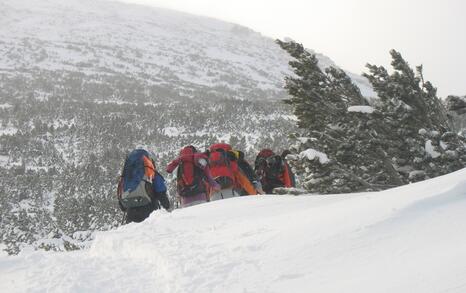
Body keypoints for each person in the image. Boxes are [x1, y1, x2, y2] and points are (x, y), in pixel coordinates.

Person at [117, 149, 170, 223]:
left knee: (132, 233)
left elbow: (121, 196)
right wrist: (166, 206)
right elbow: (161, 192)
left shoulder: (126, 175)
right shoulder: (150, 172)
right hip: (149, 211)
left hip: (130, 213)